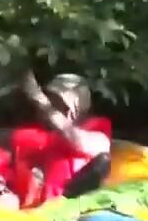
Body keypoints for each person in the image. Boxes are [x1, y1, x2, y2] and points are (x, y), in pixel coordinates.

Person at [10, 73, 113, 208]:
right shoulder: (28, 134)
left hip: (72, 201)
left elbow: (82, 143)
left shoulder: (97, 127)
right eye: (49, 100)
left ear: (74, 108)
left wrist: (41, 100)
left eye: (56, 103)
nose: (47, 108)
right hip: (35, 208)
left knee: (102, 161)